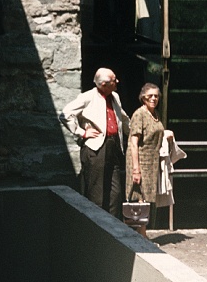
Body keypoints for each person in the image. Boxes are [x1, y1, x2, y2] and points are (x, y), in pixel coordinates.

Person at [60, 68, 130, 218]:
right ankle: (95, 228)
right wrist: (82, 132)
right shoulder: (88, 97)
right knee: (96, 193)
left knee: (115, 193)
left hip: (113, 146)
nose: (117, 81)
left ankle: (112, 227)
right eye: (114, 80)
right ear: (104, 84)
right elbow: (65, 114)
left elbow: (123, 118)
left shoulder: (115, 97)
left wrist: (134, 133)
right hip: (96, 148)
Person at [125, 83, 176, 237]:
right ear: (143, 97)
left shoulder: (156, 114)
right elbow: (133, 142)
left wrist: (165, 134)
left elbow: (153, 133)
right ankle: (141, 235)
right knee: (140, 197)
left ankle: (142, 234)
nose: (153, 98)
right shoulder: (139, 114)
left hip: (152, 162)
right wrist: (136, 169)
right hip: (140, 160)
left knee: (146, 198)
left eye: (156, 96)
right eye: (150, 96)